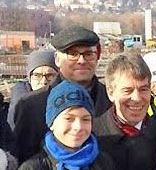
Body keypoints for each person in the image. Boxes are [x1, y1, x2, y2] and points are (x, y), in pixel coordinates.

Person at [13, 25, 111, 162]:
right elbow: (24, 160)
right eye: (73, 54)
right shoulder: (31, 106)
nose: (81, 61)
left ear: (97, 57)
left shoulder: (112, 101)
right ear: (57, 59)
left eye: (88, 54)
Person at [8, 47, 58, 129]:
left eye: (50, 75)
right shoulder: (20, 103)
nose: (44, 81)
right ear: (29, 78)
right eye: (37, 75)